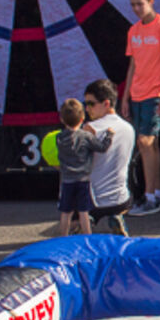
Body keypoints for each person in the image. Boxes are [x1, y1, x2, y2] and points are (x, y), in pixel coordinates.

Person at [122, 0, 160, 216]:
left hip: (155, 92)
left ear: (151, 2)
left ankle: (150, 195)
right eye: (133, 5)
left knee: (146, 142)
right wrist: (124, 97)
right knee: (148, 145)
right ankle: (156, 193)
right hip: (136, 93)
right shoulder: (133, 31)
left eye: (140, 4)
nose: (136, 8)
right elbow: (132, 65)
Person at [84, 78, 135, 235]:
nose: (87, 109)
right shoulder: (129, 128)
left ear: (106, 104)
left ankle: (80, 227)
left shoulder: (90, 128)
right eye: (85, 104)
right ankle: (115, 217)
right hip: (123, 199)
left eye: (91, 104)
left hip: (94, 201)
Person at [55, 98, 113, 236]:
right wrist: (109, 135)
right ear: (82, 118)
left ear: (62, 119)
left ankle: (63, 237)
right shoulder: (85, 136)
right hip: (83, 179)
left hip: (67, 180)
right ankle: (88, 236)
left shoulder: (59, 138)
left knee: (66, 211)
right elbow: (102, 147)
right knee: (84, 211)